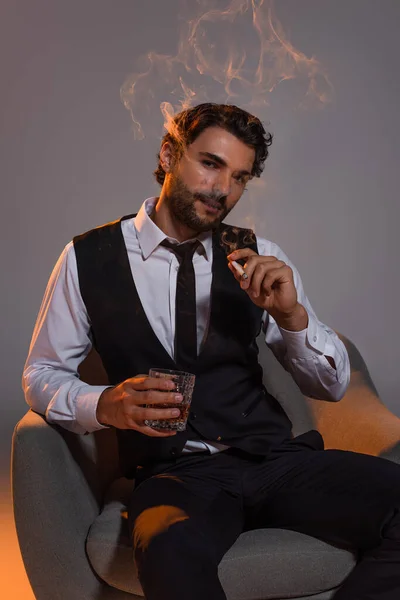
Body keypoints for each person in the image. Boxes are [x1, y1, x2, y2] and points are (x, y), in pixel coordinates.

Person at [23, 103, 400, 600]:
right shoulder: (87, 258)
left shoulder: (257, 255)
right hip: (177, 475)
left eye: (240, 177)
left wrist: (293, 320)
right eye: (210, 164)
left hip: (274, 459)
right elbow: (42, 372)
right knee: (169, 557)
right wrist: (104, 404)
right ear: (169, 154)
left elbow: (330, 387)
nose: (224, 190)